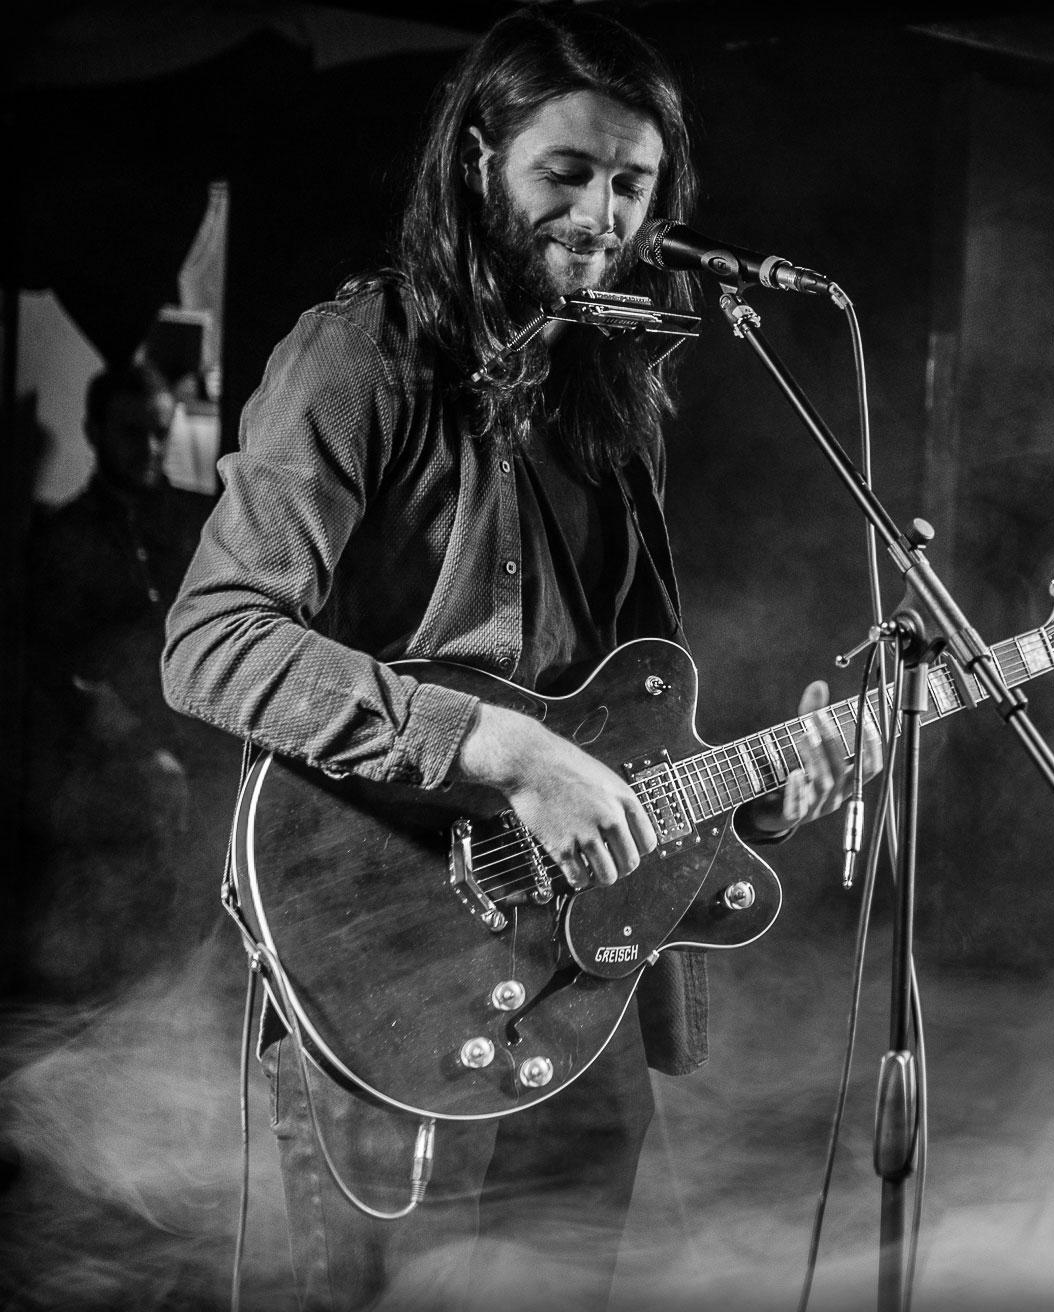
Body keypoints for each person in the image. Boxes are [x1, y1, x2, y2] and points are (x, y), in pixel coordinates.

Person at [160, 10, 865, 1308]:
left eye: (634, 184)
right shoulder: (358, 355)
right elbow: (212, 640)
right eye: (569, 172)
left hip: (577, 987)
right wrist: (501, 750)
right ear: (481, 159)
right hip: (382, 955)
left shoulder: (614, 399)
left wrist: (756, 790)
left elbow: (632, 726)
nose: (603, 215)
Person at [22, 359, 226, 998]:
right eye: (132, 432)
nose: (150, 448)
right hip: (119, 746)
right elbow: (54, 660)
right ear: (94, 431)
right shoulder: (61, 537)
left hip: (211, 728)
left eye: (160, 431)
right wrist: (128, 737)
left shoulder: (206, 520)